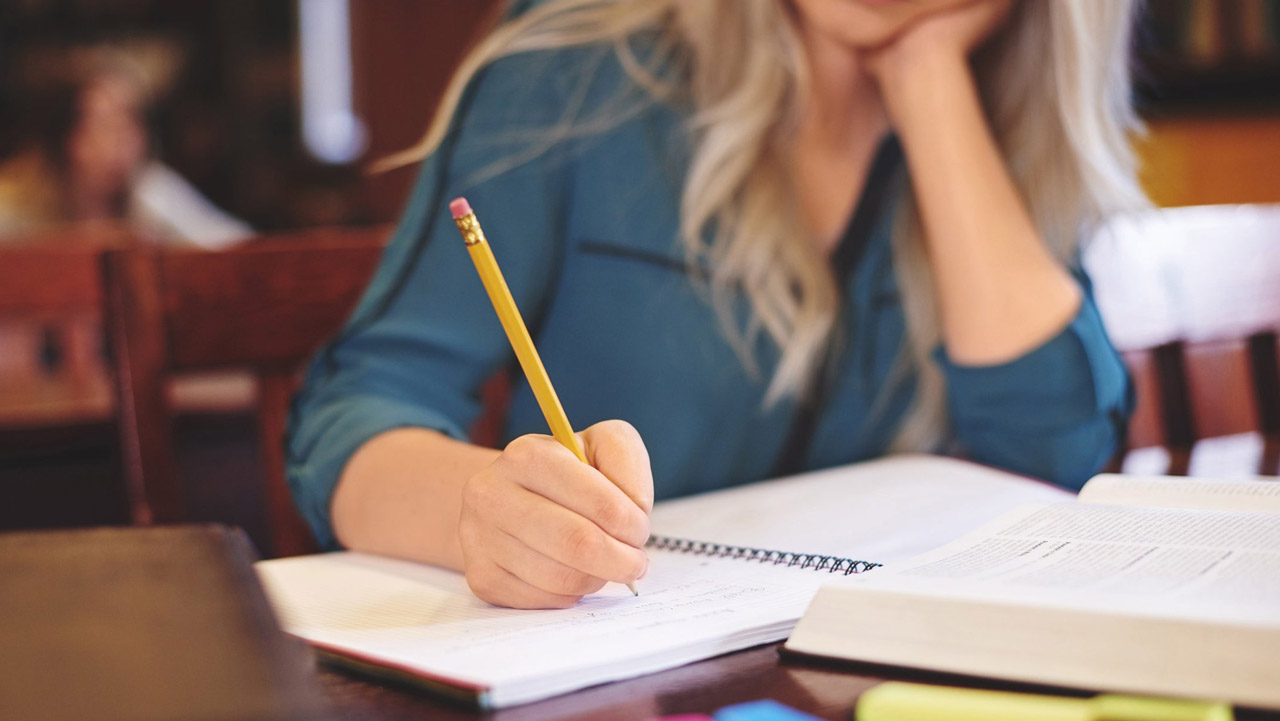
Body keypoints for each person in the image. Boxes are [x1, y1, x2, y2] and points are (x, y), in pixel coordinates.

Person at [287, 0, 1144, 609]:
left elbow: (1056, 461)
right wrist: (482, 516)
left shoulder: (1009, 130)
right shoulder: (570, 68)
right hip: (618, 673)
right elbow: (355, 410)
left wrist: (927, 80)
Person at [0, 54, 251, 248]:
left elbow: (237, 248)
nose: (118, 144)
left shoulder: (150, 191)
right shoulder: (16, 202)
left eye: (130, 124)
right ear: (65, 136)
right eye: (103, 127)